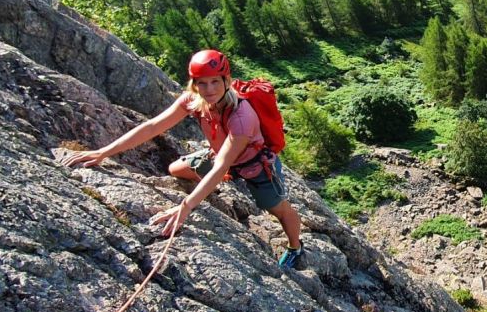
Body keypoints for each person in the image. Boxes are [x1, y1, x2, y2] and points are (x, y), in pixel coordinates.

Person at [57, 49, 305, 268]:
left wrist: (185, 207)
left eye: (215, 83)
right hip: (222, 156)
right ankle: (206, 189)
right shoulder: (193, 101)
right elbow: (153, 127)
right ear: (194, 84)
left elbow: (221, 167)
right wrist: (103, 152)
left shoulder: (241, 116)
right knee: (176, 169)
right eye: (202, 83)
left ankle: (296, 249)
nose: (209, 90)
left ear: (226, 81)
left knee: (277, 209)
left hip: (254, 165)